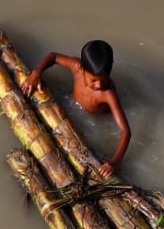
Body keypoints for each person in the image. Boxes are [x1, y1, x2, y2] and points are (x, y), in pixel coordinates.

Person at [20, 39, 132, 178]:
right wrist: (36, 73)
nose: (98, 85)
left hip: (96, 119)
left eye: (104, 80)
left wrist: (115, 162)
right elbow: (53, 56)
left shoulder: (108, 93)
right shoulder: (76, 66)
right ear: (82, 69)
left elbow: (125, 131)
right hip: (73, 106)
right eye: (94, 80)